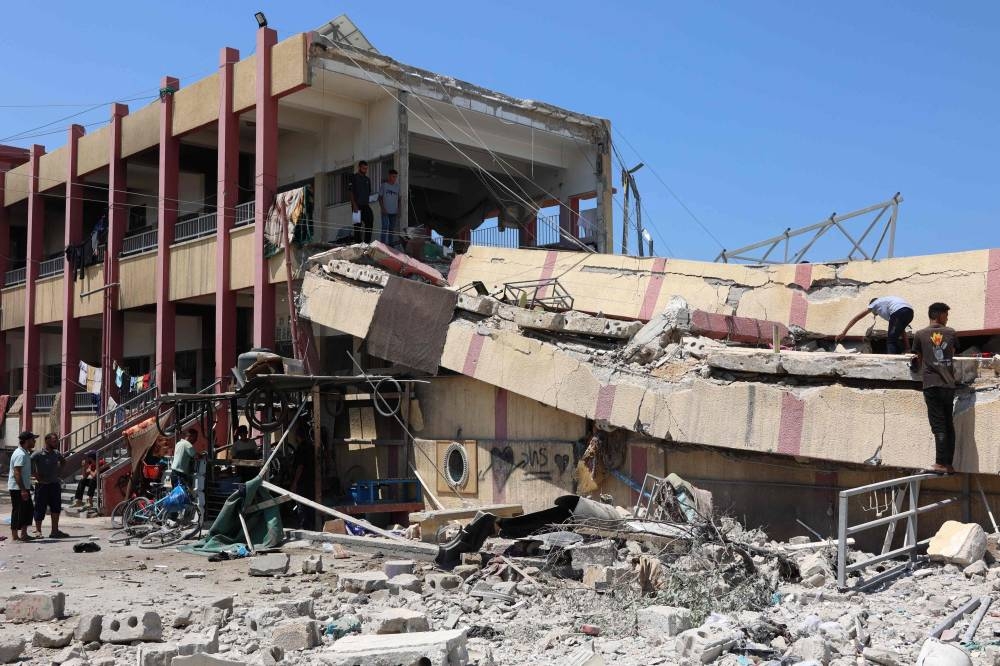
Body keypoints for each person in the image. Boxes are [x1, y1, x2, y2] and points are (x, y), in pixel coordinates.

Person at [911, 302, 960, 474]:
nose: (947, 318)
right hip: (949, 385)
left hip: (932, 384)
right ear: (938, 315)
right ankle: (949, 464)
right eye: (946, 314)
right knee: (948, 424)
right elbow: (952, 354)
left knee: (938, 425)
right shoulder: (951, 333)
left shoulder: (920, 334)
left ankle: (940, 463)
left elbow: (917, 358)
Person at [836, 296, 914, 354]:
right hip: (910, 312)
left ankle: (892, 363)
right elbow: (901, 329)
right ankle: (906, 350)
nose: (875, 314)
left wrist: (844, 332)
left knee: (891, 341)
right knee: (894, 336)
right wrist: (908, 347)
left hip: (899, 311)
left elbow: (856, 318)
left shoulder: (874, 304)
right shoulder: (885, 304)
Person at [31, 433, 69, 538]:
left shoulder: (56, 453)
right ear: (47, 441)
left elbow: (63, 462)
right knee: (39, 508)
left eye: (57, 440)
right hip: (42, 486)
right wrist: (36, 476)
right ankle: (38, 531)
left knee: (56, 508)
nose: (56, 443)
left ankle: (55, 531)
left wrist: (59, 473)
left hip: (54, 485)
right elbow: (29, 463)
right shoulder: (38, 453)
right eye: (54, 441)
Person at [7, 431, 37, 542]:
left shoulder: (25, 453)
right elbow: (17, 473)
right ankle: (15, 536)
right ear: (27, 441)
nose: (34, 442)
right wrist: (23, 490)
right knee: (18, 511)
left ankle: (24, 534)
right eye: (33, 440)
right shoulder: (20, 454)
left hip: (24, 487)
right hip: (18, 488)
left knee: (28, 510)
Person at [348, 160, 374, 243]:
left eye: (366, 169)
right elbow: (351, 191)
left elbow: (368, 192)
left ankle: (367, 243)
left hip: (365, 205)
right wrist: (354, 205)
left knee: (370, 220)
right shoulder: (354, 177)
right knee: (357, 227)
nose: (365, 170)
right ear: (359, 167)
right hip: (356, 206)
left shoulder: (367, 179)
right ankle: (358, 245)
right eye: (363, 168)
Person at [378, 169, 401, 246]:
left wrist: (399, 210)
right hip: (385, 212)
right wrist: (383, 208)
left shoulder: (397, 187)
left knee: (391, 229)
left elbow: (399, 199)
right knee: (384, 228)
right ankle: (382, 246)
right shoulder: (384, 185)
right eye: (393, 176)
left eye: (395, 177)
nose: (394, 178)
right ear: (389, 176)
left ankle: (391, 245)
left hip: (394, 212)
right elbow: (380, 198)